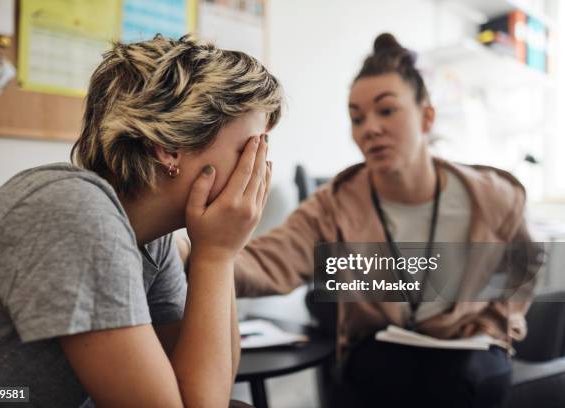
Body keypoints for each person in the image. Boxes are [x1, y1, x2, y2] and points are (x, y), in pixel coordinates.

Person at [0, 34, 282, 408]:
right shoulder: (73, 211)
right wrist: (217, 255)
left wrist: (216, 254)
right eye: (250, 148)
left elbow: (206, 387)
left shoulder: (149, 237)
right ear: (170, 148)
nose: (259, 168)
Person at [229, 33, 540, 407]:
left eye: (386, 110)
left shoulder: (491, 194)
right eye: (356, 118)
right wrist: (186, 252)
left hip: (467, 351)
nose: (369, 128)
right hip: (382, 349)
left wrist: (503, 319)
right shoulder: (336, 201)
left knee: (465, 378)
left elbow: (528, 260)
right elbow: (268, 260)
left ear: (427, 117)